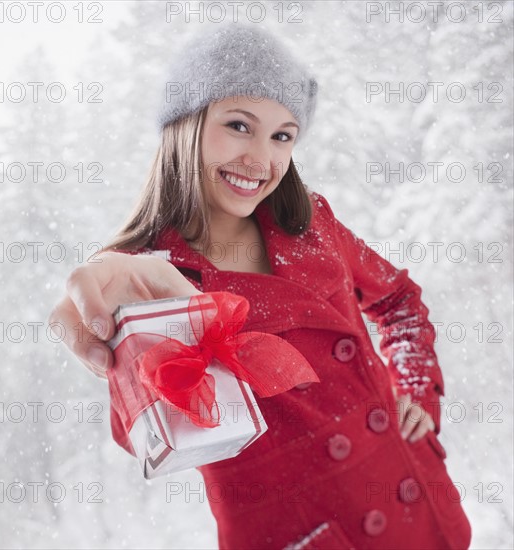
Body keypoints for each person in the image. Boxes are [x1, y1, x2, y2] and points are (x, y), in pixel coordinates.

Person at [50, 23, 472, 549]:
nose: (261, 159)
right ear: (184, 126)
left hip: (417, 500)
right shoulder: (144, 278)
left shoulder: (311, 223)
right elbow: (144, 429)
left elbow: (397, 300)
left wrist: (417, 389)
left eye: (282, 135)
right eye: (239, 125)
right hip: (309, 534)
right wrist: (132, 326)